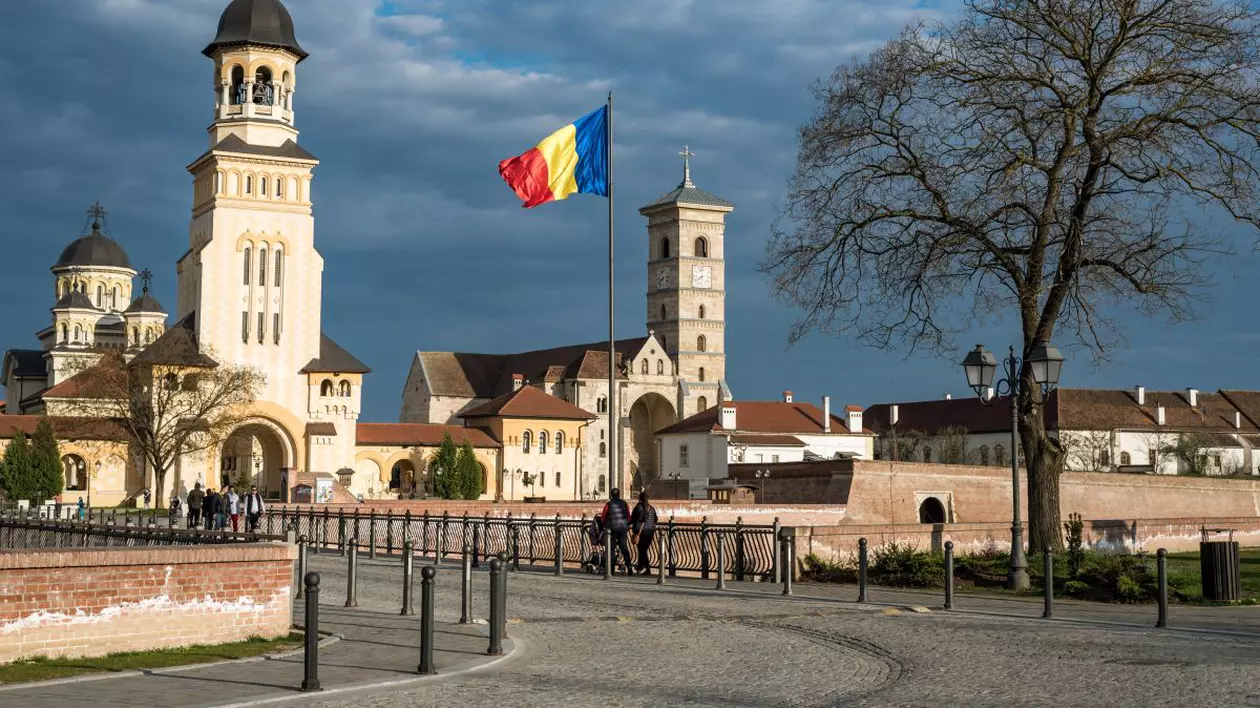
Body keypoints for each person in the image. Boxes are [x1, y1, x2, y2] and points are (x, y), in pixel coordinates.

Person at [599, 488, 633, 576]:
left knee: (611, 549)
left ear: (611, 495)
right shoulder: (625, 503)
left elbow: (603, 517)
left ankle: (611, 569)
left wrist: (605, 525)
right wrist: (626, 524)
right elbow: (629, 517)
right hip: (623, 528)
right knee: (624, 547)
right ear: (619, 494)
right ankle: (629, 566)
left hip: (612, 529)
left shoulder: (608, 504)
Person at [630, 491, 658, 575]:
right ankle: (640, 566)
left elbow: (633, 519)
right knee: (643, 549)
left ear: (639, 498)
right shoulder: (651, 508)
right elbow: (656, 519)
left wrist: (627, 524)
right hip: (651, 531)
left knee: (642, 550)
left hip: (640, 531)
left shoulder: (638, 507)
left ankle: (647, 568)